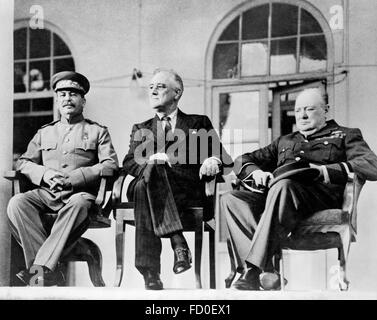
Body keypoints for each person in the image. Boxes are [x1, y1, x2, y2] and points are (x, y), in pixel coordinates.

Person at [221, 87, 377, 290]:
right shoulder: (286, 141)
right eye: (298, 110)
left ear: (326, 110)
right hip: (281, 198)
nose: (302, 115)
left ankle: (253, 271)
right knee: (232, 199)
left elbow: (372, 164)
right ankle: (267, 268)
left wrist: (324, 171)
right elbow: (242, 160)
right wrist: (257, 172)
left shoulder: (346, 135)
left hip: (318, 198)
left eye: (310, 109)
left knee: (283, 185)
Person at [123, 68, 232, 290]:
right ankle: (178, 242)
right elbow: (129, 163)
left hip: (185, 189)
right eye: (150, 87)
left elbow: (223, 159)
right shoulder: (141, 128)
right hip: (148, 184)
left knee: (145, 186)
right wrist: (153, 160)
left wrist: (213, 161)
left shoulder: (198, 123)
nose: (153, 91)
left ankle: (150, 271)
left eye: (160, 86)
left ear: (177, 92)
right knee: (150, 173)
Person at [7, 71, 119, 286]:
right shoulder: (44, 133)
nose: (67, 98)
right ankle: (45, 270)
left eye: (73, 94)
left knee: (77, 204)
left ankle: (39, 272)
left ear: (83, 100)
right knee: (17, 203)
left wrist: (75, 178)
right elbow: (22, 162)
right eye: (62, 95)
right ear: (57, 101)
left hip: (80, 196)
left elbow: (110, 164)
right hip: (48, 193)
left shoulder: (97, 131)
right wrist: (45, 175)